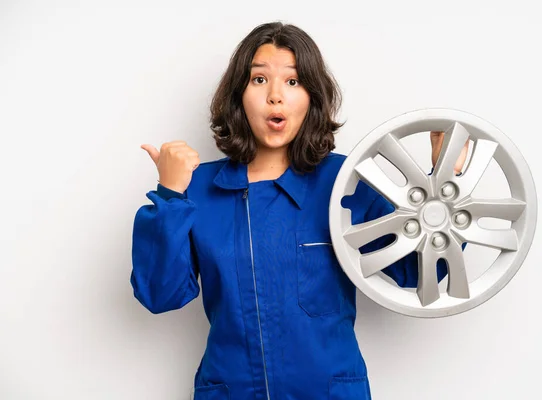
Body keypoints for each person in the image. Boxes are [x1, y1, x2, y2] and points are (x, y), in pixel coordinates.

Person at [131, 21, 468, 400]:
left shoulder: (345, 183)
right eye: (259, 80)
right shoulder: (200, 189)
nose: (276, 96)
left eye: (293, 82)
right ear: (238, 95)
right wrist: (171, 195)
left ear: (312, 96)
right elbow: (160, 295)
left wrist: (443, 182)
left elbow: (417, 271)